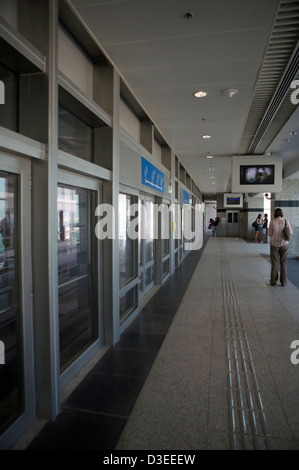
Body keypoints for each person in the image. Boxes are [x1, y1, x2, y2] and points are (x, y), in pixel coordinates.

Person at [268, 208, 293, 286]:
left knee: (274, 263)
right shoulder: (286, 221)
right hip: (284, 244)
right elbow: (290, 232)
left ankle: (273, 281)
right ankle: (283, 282)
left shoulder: (272, 222)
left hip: (274, 244)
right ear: (281, 213)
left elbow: (269, 233)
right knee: (283, 263)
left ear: (275, 214)